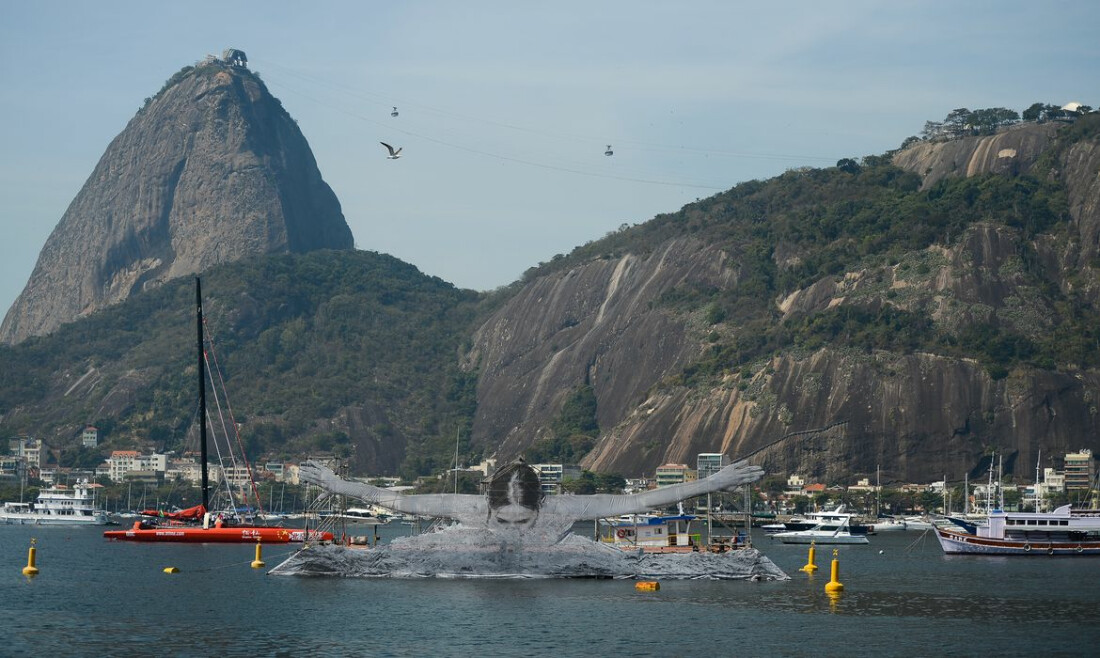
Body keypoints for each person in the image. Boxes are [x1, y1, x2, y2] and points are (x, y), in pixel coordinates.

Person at [299, 457, 763, 540]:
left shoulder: (564, 508)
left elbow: (644, 502)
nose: (518, 496)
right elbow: (391, 499)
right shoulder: (466, 507)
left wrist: (709, 483)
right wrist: (340, 486)